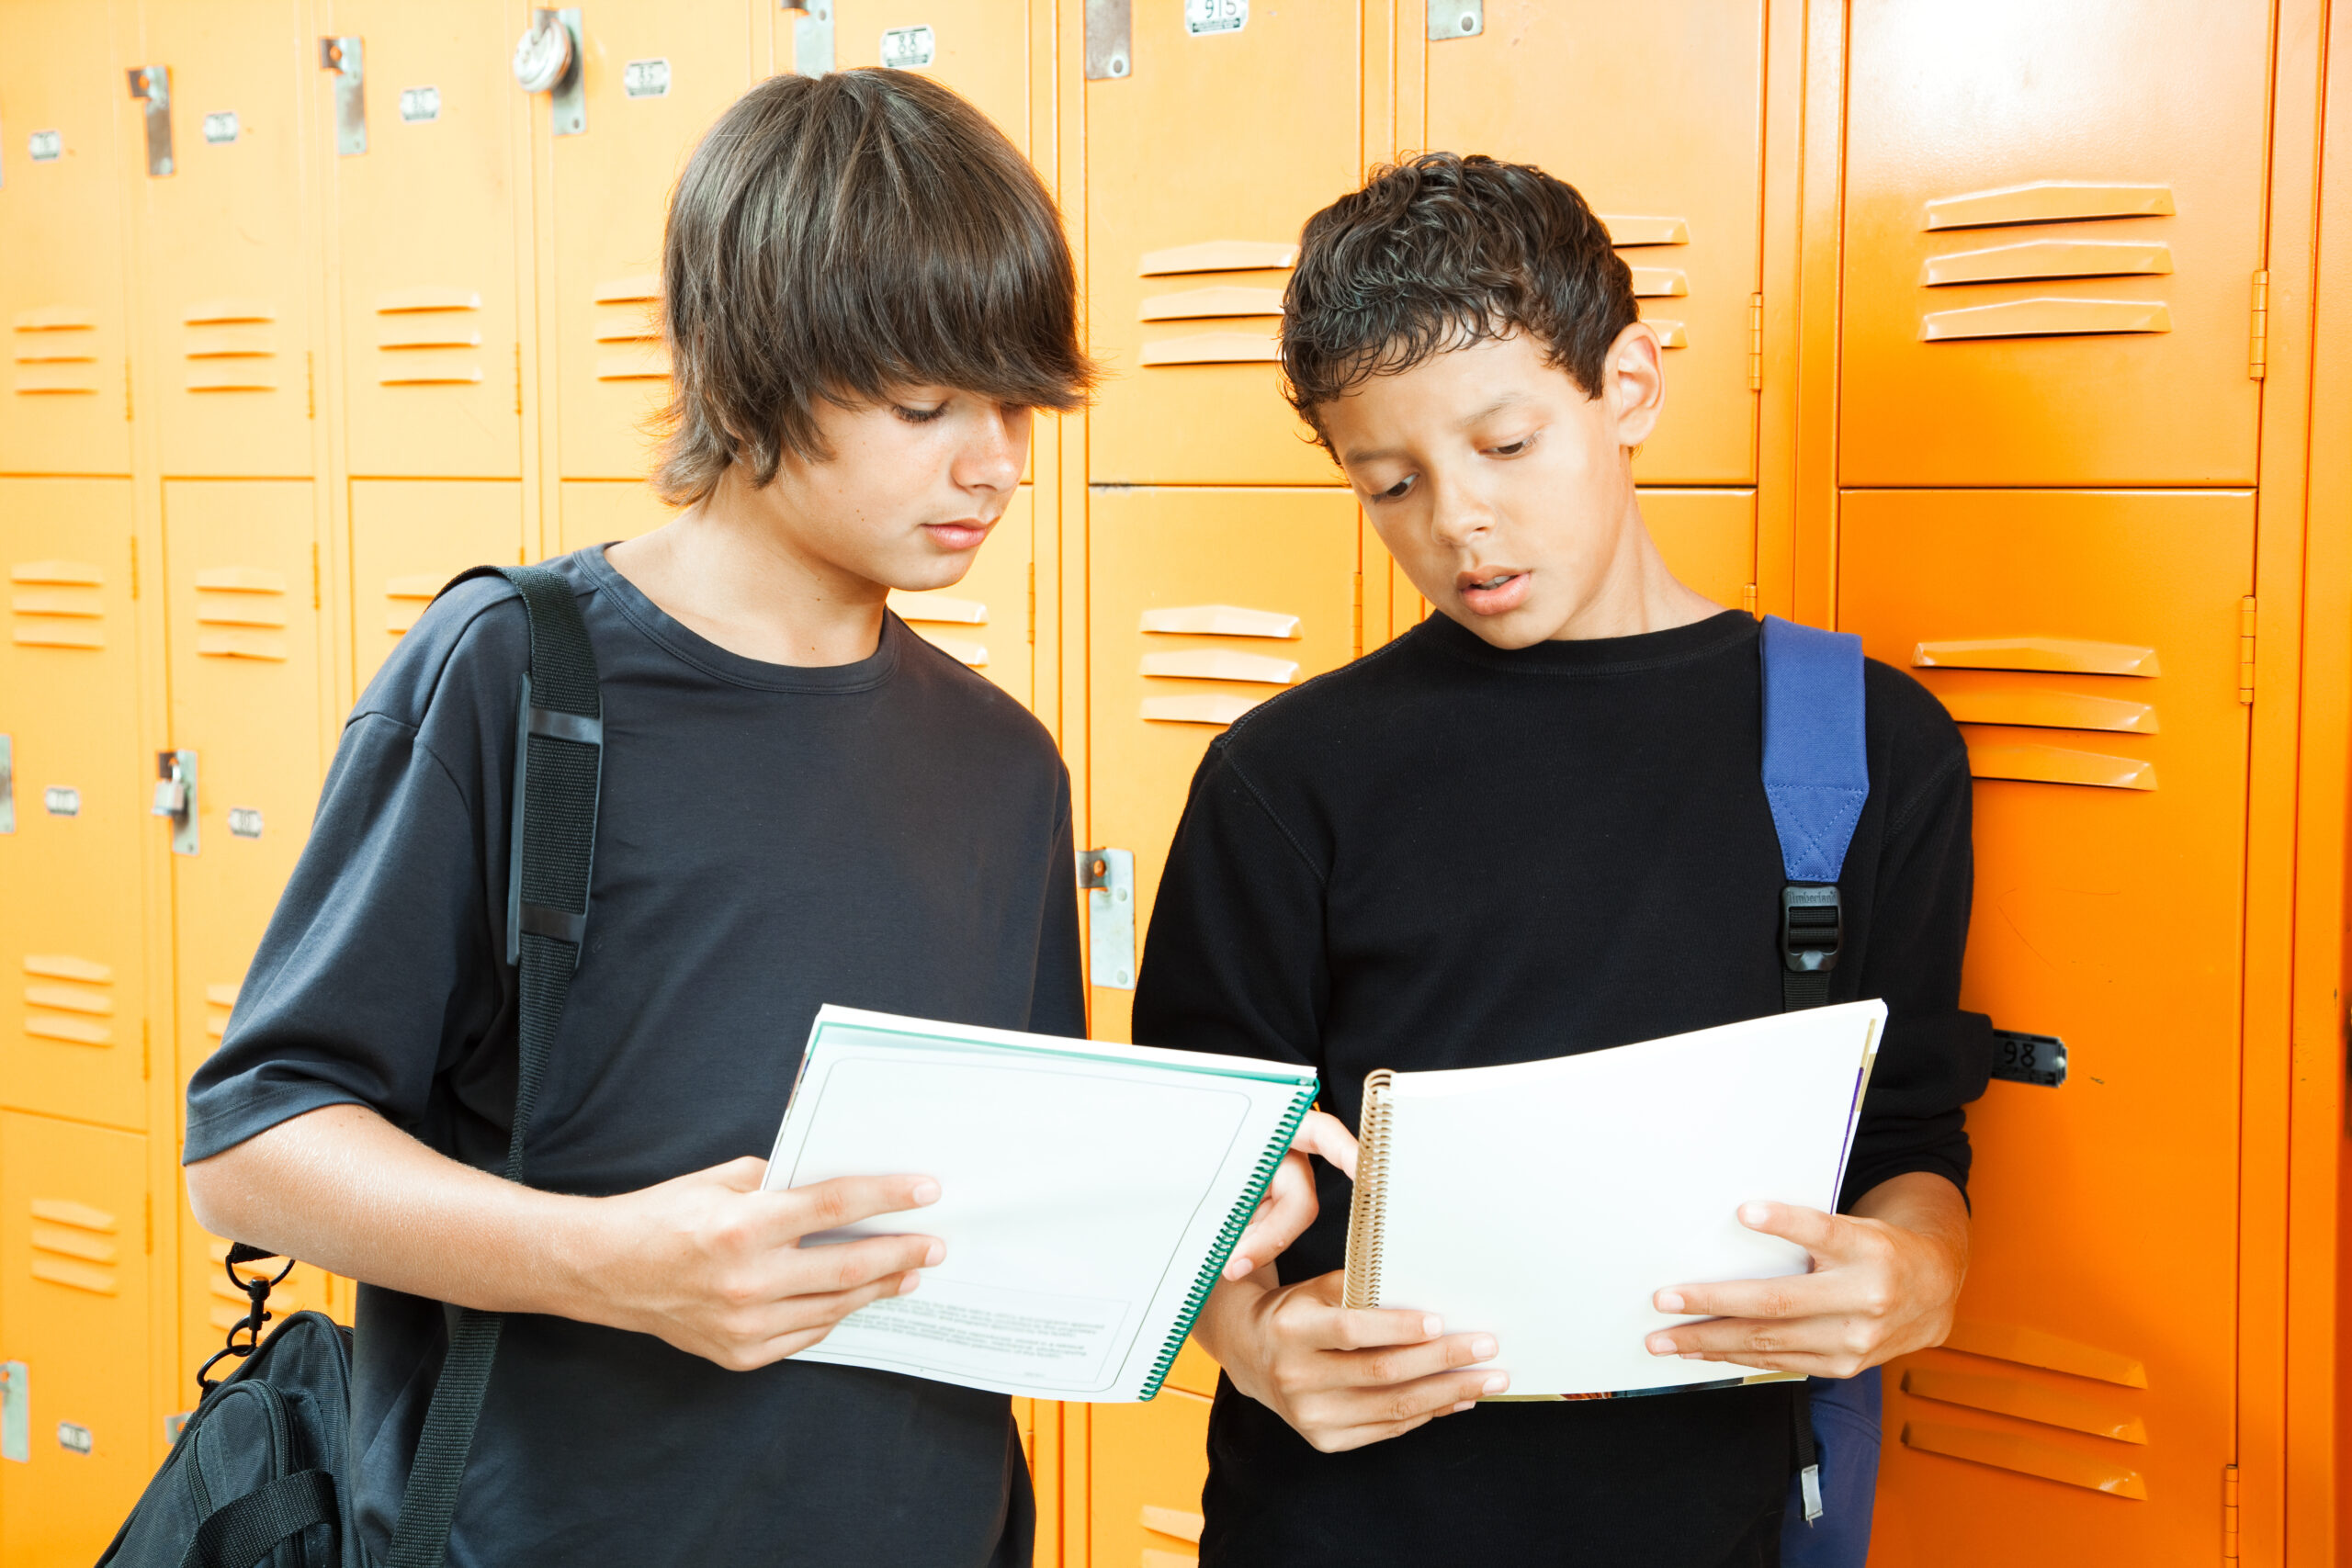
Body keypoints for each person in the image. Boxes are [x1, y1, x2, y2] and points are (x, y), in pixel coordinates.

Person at [182, 70, 1091, 1568]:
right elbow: (255, 1143)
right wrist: (613, 1263)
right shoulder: (516, 674)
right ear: (751, 373)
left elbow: (1013, 1193)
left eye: (1018, 403)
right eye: (928, 405)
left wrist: (1211, 1223)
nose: (997, 460)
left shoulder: (1005, 763)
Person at [1131, 152, 1992, 1566]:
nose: (1455, 521)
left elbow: (1906, 1134)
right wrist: (1257, 1345)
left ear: (1629, 388)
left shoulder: (1864, 743)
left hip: (1711, 1529)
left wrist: (1924, 1271)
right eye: (1390, 482)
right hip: (1347, 1528)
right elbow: (1193, 1177)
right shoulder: (1285, 777)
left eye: (1507, 445)